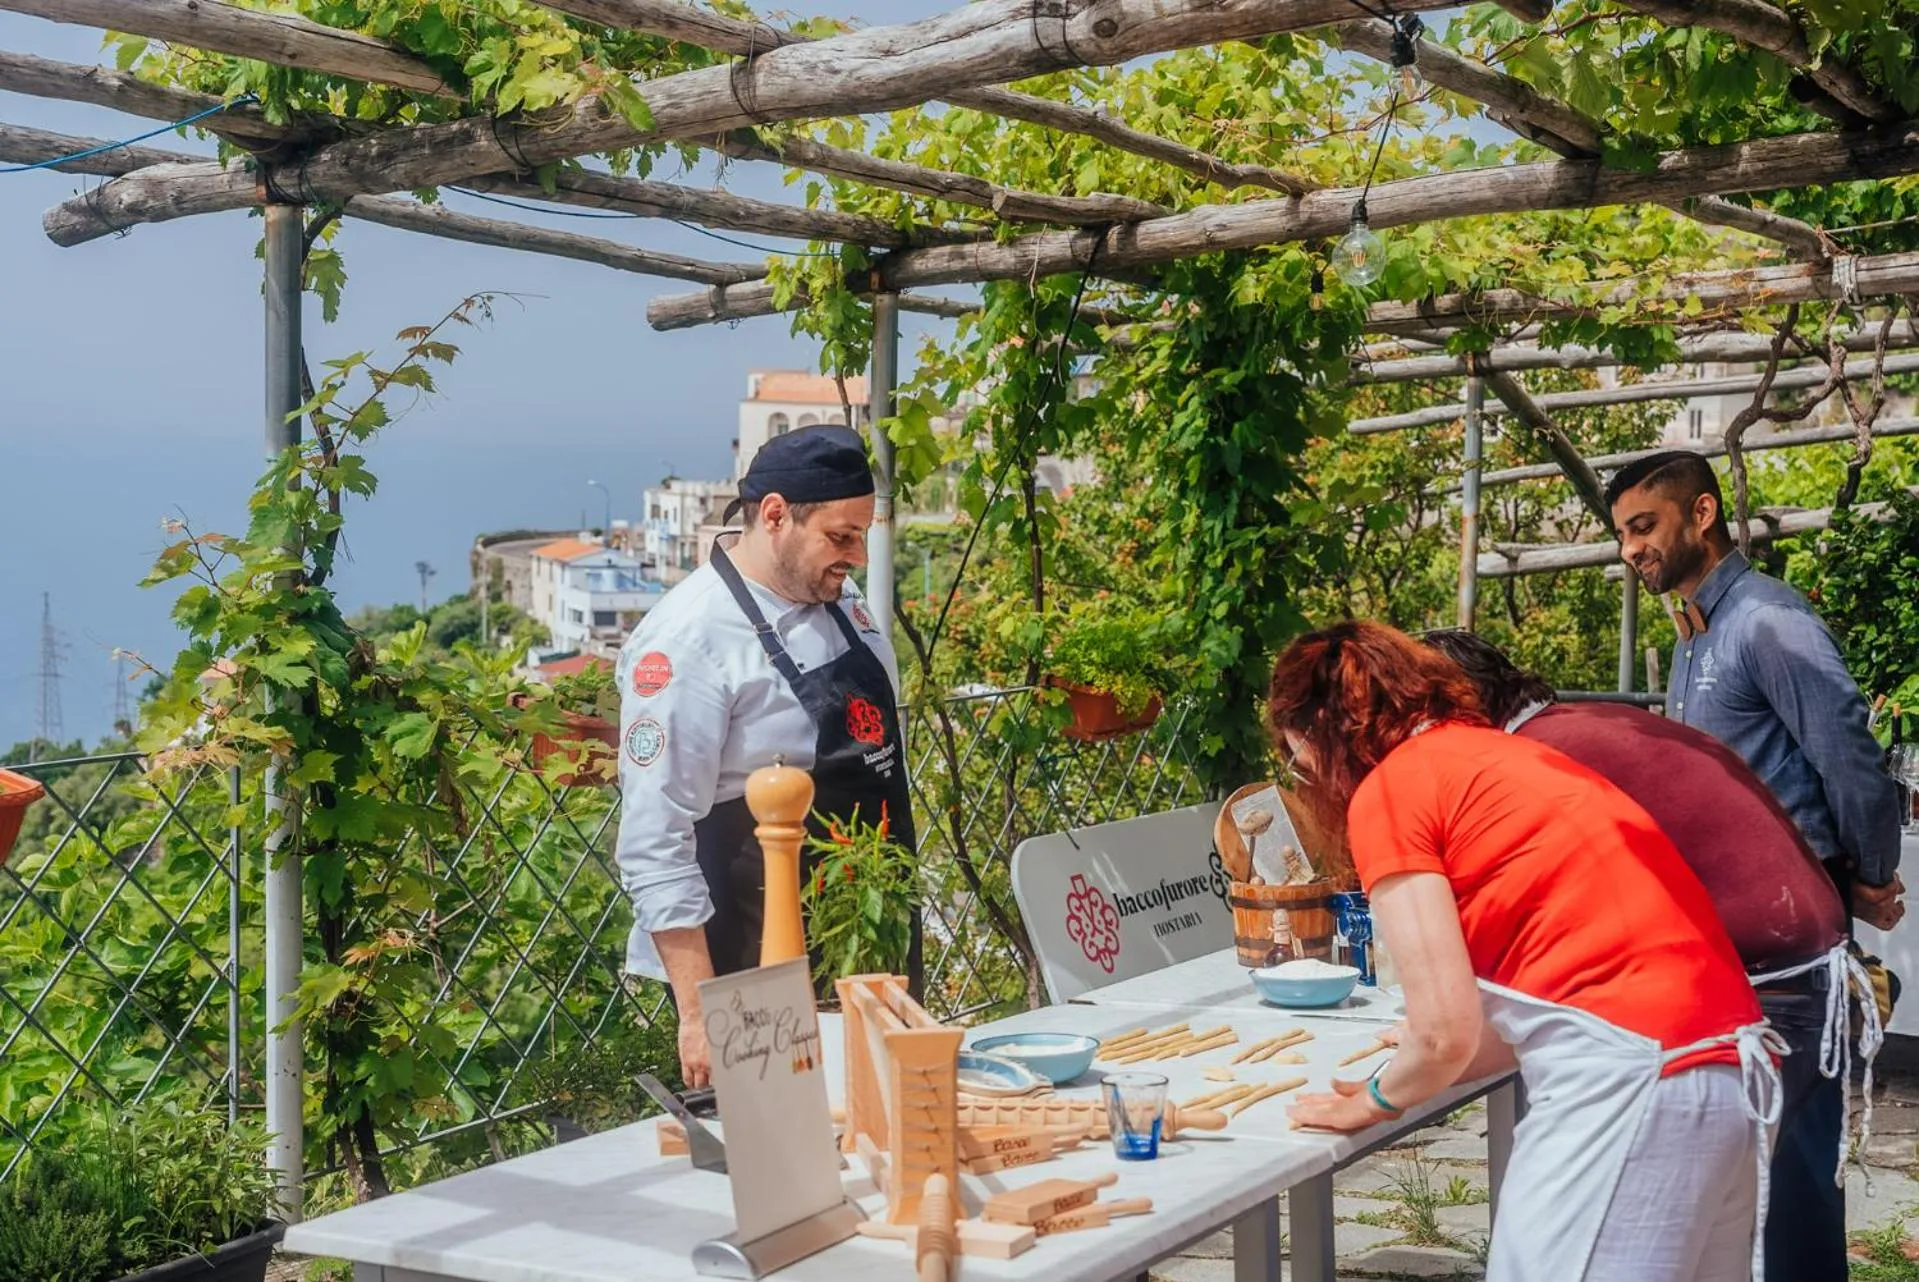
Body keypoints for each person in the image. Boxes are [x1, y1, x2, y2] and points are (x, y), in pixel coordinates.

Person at [1271, 621, 1778, 1282]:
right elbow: (1534, 999)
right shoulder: (1506, 756)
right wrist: (1429, 1053)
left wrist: (1374, 1098)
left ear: (1322, 731)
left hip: (1629, 1081)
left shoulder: (1392, 790)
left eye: (1296, 759)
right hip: (1730, 1066)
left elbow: (1442, 1033)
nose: (1306, 775)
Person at [1424, 628, 1875, 1282]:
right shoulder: (1586, 723)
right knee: (1775, 1225)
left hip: (1761, 985)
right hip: (1804, 964)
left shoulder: (1535, 759)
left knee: (1685, 1229)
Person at [613, 425, 915, 1089]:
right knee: (786, 1134)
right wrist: (698, 1013)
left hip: (870, 930)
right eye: (841, 536)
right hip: (754, 956)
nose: (857, 556)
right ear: (775, 515)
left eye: (862, 535)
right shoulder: (687, 641)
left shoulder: (840, 600)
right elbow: (654, 841)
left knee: (884, 1115)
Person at [1605, 450, 1902, 925]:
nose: (1629, 550)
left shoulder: (1766, 620)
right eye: (1622, 535)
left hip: (1789, 908)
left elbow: (1848, 759)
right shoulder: (1693, 635)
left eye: (1643, 527)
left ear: (1703, 513)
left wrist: (1866, 879)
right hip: (1729, 905)